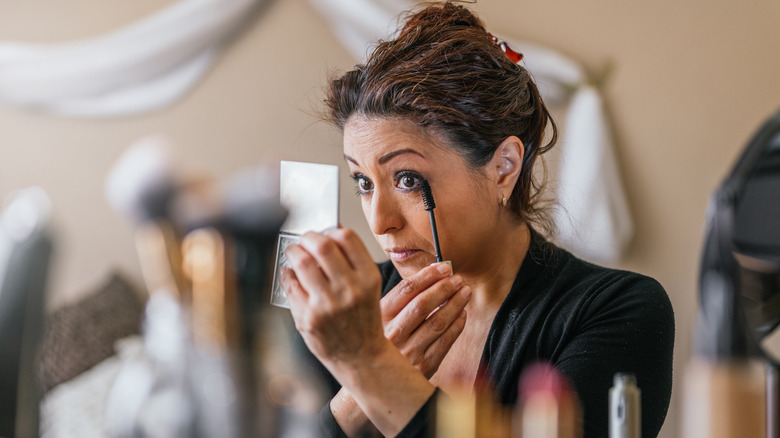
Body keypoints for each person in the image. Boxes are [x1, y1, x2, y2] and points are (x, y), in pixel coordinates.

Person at [279, 2, 674, 437]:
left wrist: (371, 367)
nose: (380, 222)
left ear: (503, 167)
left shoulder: (619, 312)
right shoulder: (348, 318)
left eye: (407, 179)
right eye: (364, 182)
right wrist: (355, 391)